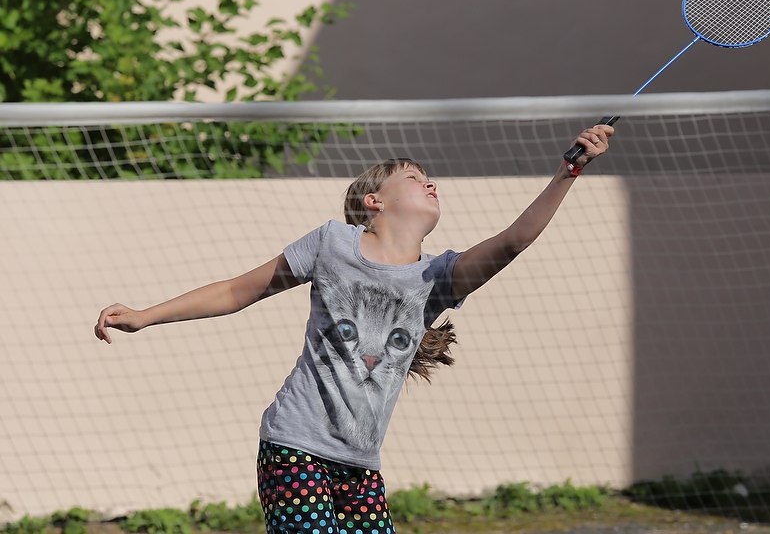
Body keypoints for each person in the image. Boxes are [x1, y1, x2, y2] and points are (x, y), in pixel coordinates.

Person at [93, 125, 613, 534]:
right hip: (295, 448)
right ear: (374, 202)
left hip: (361, 465)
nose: (430, 182)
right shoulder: (332, 244)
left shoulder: (439, 278)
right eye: (414, 177)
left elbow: (513, 241)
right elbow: (237, 291)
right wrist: (146, 315)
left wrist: (568, 170)